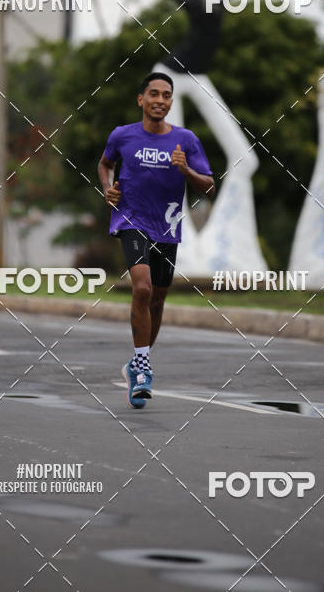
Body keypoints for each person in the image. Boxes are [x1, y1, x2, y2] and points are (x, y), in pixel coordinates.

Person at [98, 72, 215, 409]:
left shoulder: (186, 140)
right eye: (153, 94)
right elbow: (105, 164)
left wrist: (186, 171)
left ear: (171, 102)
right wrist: (108, 189)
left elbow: (209, 187)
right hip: (131, 218)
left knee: (158, 299)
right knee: (143, 288)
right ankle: (144, 368)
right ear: (141, 99)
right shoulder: (122, 136)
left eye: (166, 95)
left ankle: (137, 361)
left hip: (167, 226)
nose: (160, 100)